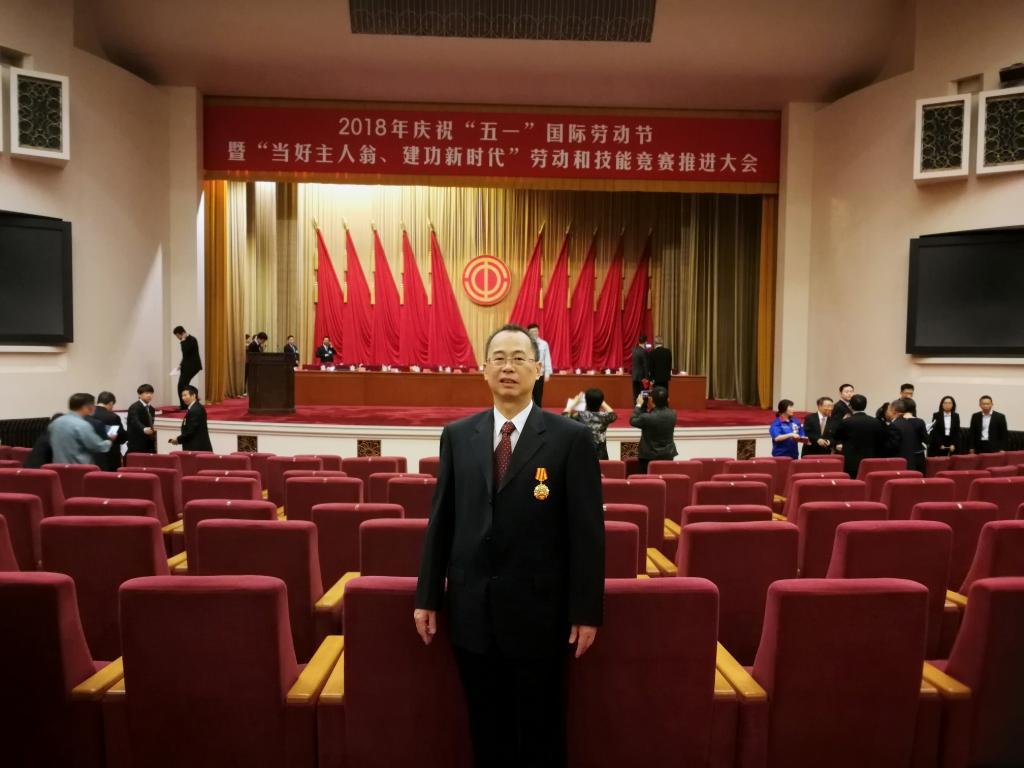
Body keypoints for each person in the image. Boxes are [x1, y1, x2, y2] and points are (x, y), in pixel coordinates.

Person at [414, 323, 603, 768]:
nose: (508, 367)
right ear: (484, 370)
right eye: (498, 358)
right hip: (472, 612)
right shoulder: (458, 435)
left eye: (519, 358)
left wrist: (586, 610)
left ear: (538, 370)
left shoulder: (570, 439)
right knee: (487, 732)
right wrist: (427, 596)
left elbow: (587, 532)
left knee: (542, 734)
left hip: (543, 616)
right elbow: (442, 521)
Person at [832, 394, 890, 478]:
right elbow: (881, 440)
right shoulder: (876, 422)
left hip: (850, 461)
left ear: (851, 406)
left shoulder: (846, 422)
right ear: (865, 405)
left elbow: (836, 437)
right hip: (871, 460)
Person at [49, 393, 113, 465]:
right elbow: (98, 446)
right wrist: (109, 441)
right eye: (93, 405)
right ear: (86, 407)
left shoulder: (55, 423)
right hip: (79, 468)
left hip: (58, 468)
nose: (94, 408)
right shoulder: (82, 425)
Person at [629, 385, 678, 473]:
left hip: (648, 457)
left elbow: (633, 420)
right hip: (668, 455)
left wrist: (639, 405)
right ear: (668, 400)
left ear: (651, 400)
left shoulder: (647, 418)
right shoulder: (673, 414)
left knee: (648, 480)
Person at [563, 388, 617, 460]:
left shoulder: (579, 415)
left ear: (586, 401)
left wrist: (574, 403)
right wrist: (602, 402)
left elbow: (564, 416)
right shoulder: (604, 417)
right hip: (600, 456)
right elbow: (613, 414)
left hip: (582, 454)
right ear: (601, 402)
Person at [89, 391, 127, 471]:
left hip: (91, 455)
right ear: (111, 403)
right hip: (109, 456)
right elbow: (120, 437)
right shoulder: (112, 417)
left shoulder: (88, 414)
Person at [168, 385, 212, 452]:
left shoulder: (195, 410)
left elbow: (190, 431)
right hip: (195, 447)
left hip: (196, 449)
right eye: (182, 396)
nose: (183, 398)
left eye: (185, 395)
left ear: (193, 395)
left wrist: (178, 440)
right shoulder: (195, 407)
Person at [890, 398, 928, 473]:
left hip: (902, 457)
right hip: (918, 455)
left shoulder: (897, 422)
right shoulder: (919, 422)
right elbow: (926, 439)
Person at [172, 326, 203, 410]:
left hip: (193, 366)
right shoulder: (187, 340)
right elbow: (186, 356)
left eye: (177, 336)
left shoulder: (192, 340)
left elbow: (185, 351)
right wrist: (181, 364)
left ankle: (185, 405)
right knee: (183, 385)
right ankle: (192, 400)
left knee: (181, 385)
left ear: (182, 333)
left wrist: (182, 341)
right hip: (187, 366)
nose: (177, 338)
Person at [526, 323, 553, 408]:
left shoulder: (544, 344)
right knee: (526, 395)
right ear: (528, 332)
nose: (535, 333)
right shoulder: (525, 344)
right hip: (527, 373)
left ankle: (538, 412)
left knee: (538, 396)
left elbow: (547, 358)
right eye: (532, 331)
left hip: (539, 373)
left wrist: (547, 373)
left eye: (536, 331)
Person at [126, 384, 158, 454]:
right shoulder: (134, 407)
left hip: (149, 442)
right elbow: (134, 421)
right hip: (137, 442)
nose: (149, 395)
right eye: (146, 393)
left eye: (151, 393)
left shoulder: (152, 409)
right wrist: (143, 428)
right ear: (139, 395)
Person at [630, 334, 651, 401]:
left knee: (636, 393)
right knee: (645, 394)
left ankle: (636, 405)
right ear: (645, 342)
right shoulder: (644, 352)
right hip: (643, 377)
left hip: (634, 376)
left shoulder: (633, 350)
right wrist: (647, 378)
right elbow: (646, 366)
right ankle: (644, 405)